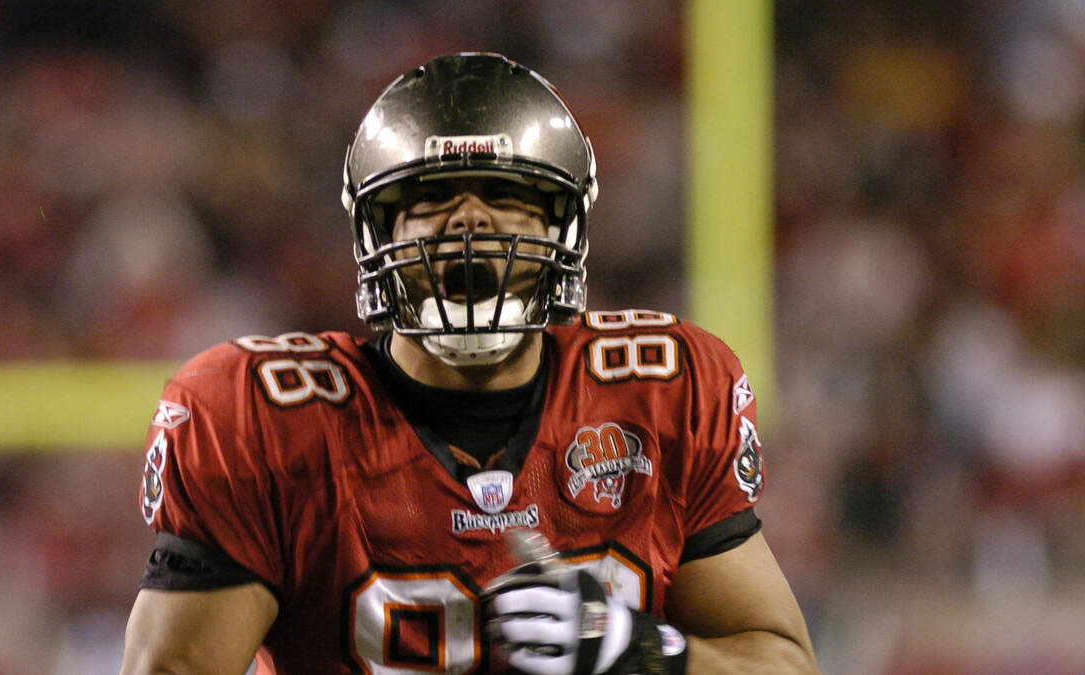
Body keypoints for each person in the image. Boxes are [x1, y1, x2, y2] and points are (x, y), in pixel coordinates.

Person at [120, 52, 818, 674]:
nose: (468, 220)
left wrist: (645, 653)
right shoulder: (262, 420)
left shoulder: (662, 392)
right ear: (376, 231)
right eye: (429, 197)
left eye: (506, 194)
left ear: (564, 225)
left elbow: (782, 661)